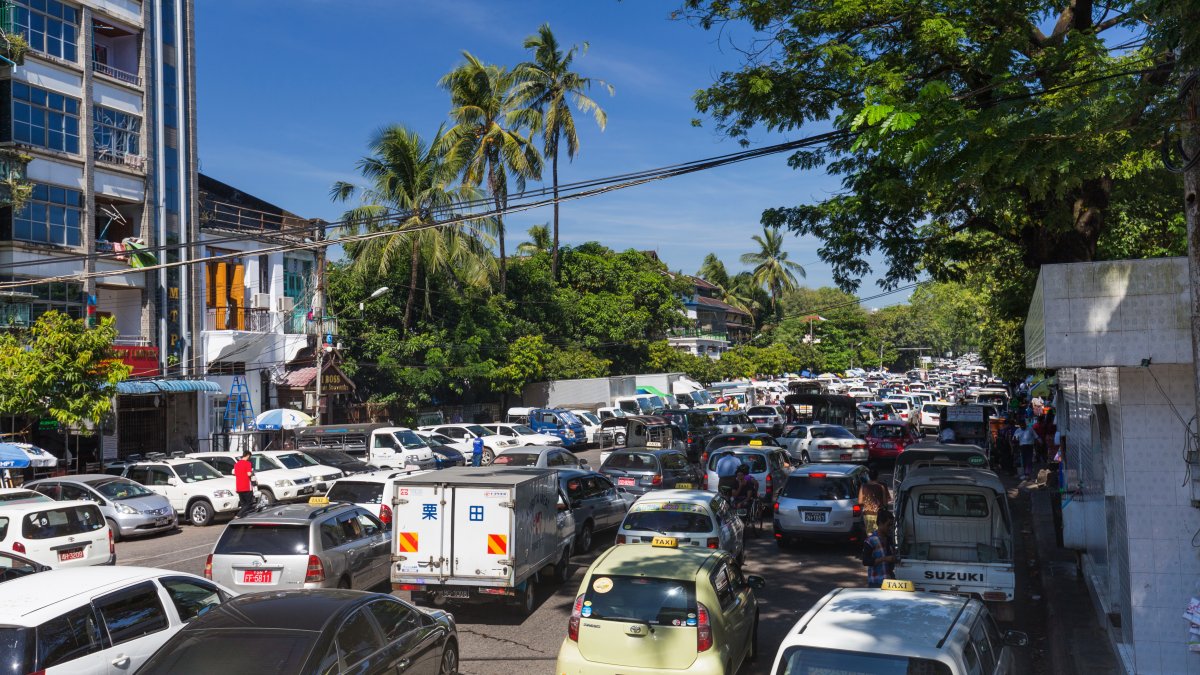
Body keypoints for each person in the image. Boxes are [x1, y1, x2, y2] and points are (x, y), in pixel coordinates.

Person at [865, 508, 898, 588]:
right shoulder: (870, 540)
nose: (890, 528)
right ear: (880, 523)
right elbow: (866, 561)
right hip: (876, 582)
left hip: (890, 581)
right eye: (888, 525)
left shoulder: (889, 539)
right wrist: (885, 559)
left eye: (891, 525)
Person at [858, 467, 891, 535]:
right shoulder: (881, 486)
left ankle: (871, 544)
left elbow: (860, 502)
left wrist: (868, 503)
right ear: (877, 476)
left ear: (869, 476)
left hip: (867, 514)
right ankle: (878, 545)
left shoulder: (863, 486)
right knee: (879, 533)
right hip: (878, 514)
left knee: (870, 534)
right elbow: (885, 503)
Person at [233, 449, 256, 517]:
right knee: (249, 503)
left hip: (239, 487)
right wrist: (252, 473)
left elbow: (235, 473)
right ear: (248, 455)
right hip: (246, 486)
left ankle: (243, 517)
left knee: (243, 504)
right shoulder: (248, 463)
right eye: (250, 457)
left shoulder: (236, 464)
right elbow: (249, 474)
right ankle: (238, 515)